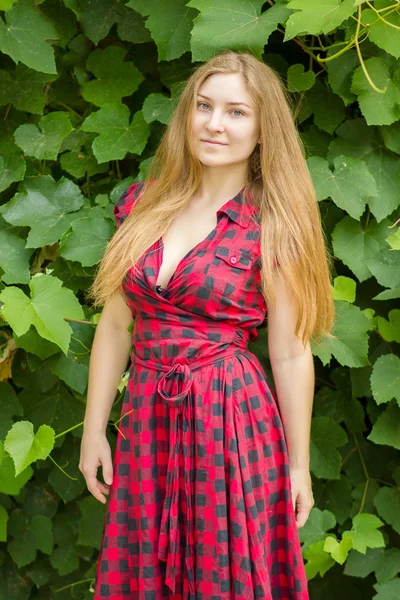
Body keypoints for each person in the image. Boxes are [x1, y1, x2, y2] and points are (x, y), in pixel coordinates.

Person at [80, 50, 335, 600]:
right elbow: (118, 325)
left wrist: (298, 467)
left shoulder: (274, 226)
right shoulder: (142, 205)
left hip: (231, 420)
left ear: (264, 130)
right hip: (149, 416)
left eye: (237, 112)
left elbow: (290, 355)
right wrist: (94, 429)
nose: (214, 123)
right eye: (204, 106)